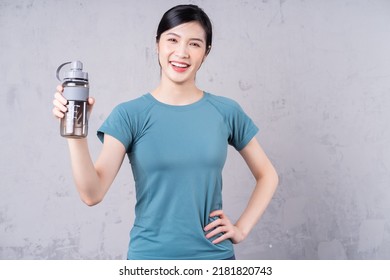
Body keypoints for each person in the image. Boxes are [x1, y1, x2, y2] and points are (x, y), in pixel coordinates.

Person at [52, 4, 278, 260]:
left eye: (194, 44)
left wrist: (241, 228)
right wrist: (75, 136)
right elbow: (92, 194)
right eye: (172, 39)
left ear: (206, 52)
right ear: (157, 44)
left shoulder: (226, 111)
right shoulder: (129, 115)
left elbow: (267, 175)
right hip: (149, 260)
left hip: (215, 259)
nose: (181, 53)